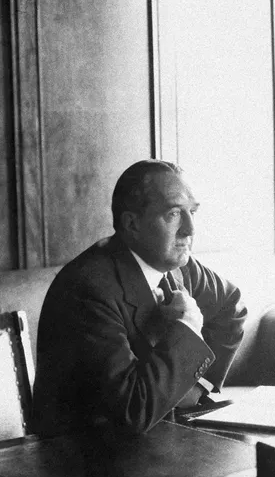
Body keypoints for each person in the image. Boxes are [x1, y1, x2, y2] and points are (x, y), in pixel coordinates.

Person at [31, 160, 247, 437]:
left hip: (157, 443)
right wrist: (189, 328)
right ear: (131, 224)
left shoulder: (179, 265)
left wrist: (196, 386)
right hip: (85, 460)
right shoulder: (86, 289)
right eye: (173, 214)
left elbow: (232, 305)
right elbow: (133, 409)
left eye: (192, 212)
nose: (190, 229)